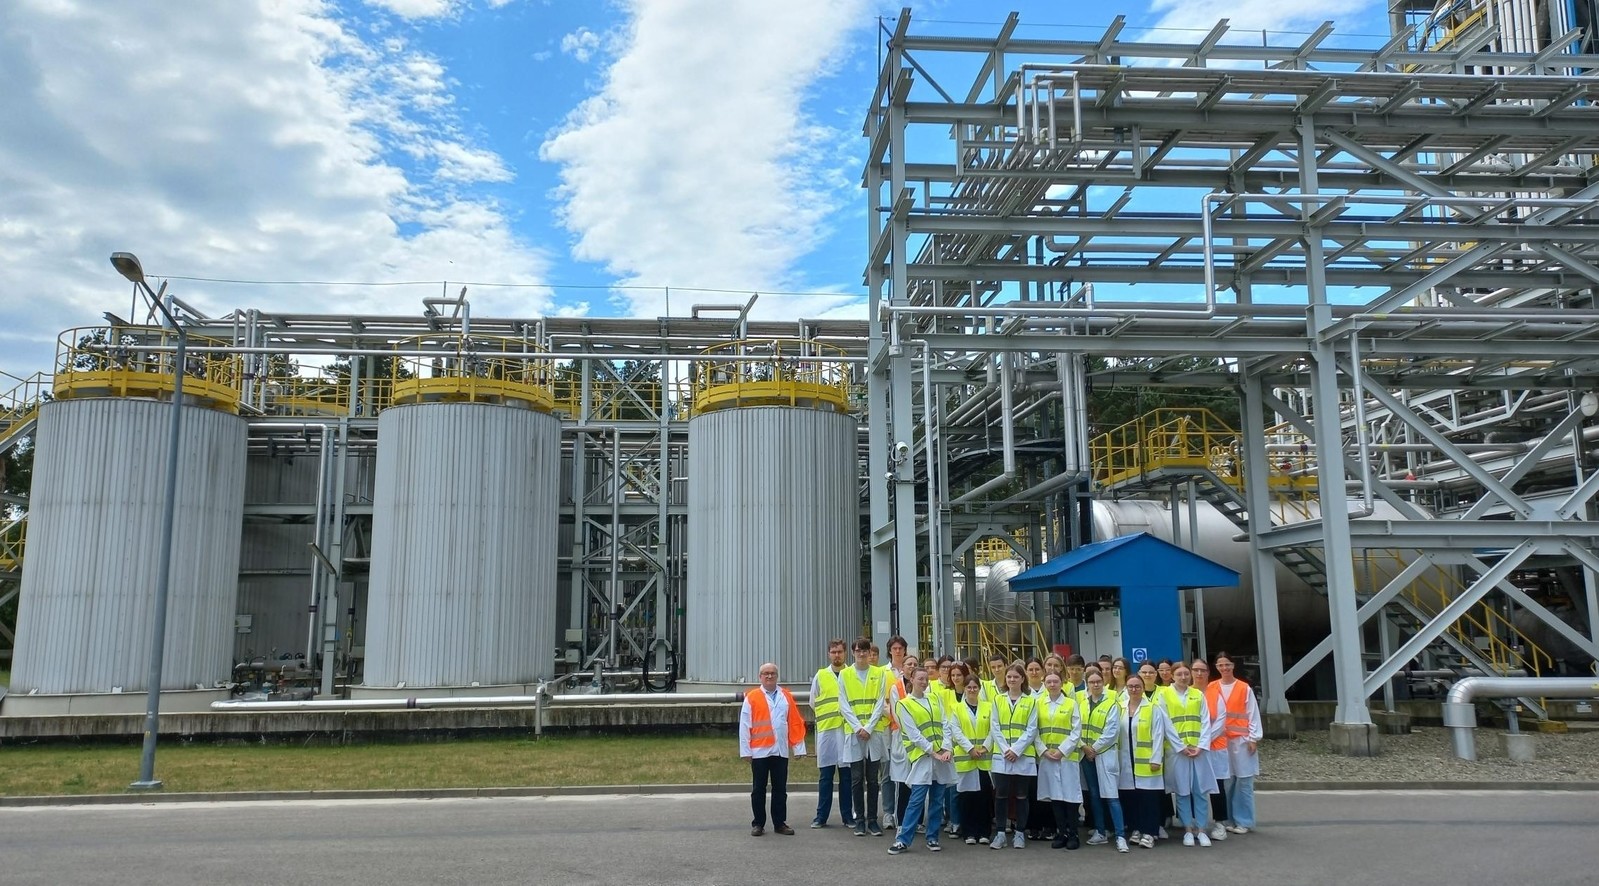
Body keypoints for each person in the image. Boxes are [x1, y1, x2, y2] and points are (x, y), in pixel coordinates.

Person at [887, 666, 955, 855]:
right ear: (912, 680)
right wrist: (933, 752)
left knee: (937, 800)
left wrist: (947, 748)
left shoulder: (934, 698)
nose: (924, 682)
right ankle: (903, 840)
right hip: (923, 759)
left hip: (941, 758)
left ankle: (932, 837)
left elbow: (945, 724)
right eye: (920, 679)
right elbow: (913, 734)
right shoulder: (904, 704)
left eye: (926, 679)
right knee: (916, 800)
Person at [739, 662, 807, 837]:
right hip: (759, 751)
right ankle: (758, 824)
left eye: (772, 673)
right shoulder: (752, 697)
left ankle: (779, 823)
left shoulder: (786, 696)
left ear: (777, 676)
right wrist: (745, 751)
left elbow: (795, 722)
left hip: (780, 750)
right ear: (760, 677)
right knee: (758, 789)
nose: (769, 676)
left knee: (780, 789)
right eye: (766, 673)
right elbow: (745, 725)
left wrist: (798, 747)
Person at [1163, 663, 1219, 847]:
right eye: (1179, 674)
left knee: (1200, 790)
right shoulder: (1164, 695)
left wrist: (1201, 746)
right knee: (1182, 791)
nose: (1183, 677)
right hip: (1177, 751)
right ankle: (1187, 829)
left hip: (1198, 750)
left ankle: (1201, 830)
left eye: (1186, 673)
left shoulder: (1198, 694)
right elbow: (1166, 723)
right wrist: (1180, 747)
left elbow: (1205, 721)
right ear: (1172, 676)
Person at [1209, 651, 1264, 835]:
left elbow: (1252, 713)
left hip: (1241, 741)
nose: (1224, 668)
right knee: (1227, 782)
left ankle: (1244, 821)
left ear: (1233, 666)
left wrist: (1253, 738)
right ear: (1216, 667)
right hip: (1221, 741)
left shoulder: (1243, 688)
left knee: (1244, 781)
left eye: (1227, 664)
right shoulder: (1212, 687)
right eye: (1220, 665)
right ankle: (1228, 819)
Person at [841, 637, 890, 836]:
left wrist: (868, 727)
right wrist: (857, 727)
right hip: (854, 734)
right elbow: (843, 703)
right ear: (853, 653)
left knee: (873, 779)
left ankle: (872, 820)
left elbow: (880, 702)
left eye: (865, 651)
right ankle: (859, 819)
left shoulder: (879, 674)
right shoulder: (845, 674)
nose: (861, 654)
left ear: (870, 653)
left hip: (873, 733)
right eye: (858, 651)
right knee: (856, 779)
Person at [1077, 668, 1129, 852]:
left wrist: (1093, 749)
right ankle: (1100, 831)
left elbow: (1111, 731)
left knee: (1112, 796)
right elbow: (1075, 728)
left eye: (1098, 681)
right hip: (1086, 755)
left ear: (1103, 683)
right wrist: (1084, 747)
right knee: (1094, 795)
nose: (1095, 685)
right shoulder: (1082, 704)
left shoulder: (1111, 704)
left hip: (1104, 754)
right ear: (1087, 684)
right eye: (1092, 682)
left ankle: (1120, 835)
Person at [988, 663, 1038, 849]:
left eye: (1016, 677)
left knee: (1021, 796)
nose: (1012, 680)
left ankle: (1019, 833)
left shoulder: (1031, 701)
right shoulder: (997, 700)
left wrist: (1016, 750)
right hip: (1002, 756)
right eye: (1009, 677)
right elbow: (994, 726)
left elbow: (1032, 729)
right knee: (1000, 795)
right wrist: (1005, 749)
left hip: (1022, 756)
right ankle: (1000, 833)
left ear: (1022, 679)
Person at [1118, 675, 1168, 849]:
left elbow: (1158, 734)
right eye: (1130, 686)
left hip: (1147, 763)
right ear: (1126, 688)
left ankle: (1150, 832)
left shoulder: (1153, 708)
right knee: (1131, 798)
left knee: (1149, 799)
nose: (1134, 689)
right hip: (1126, 762)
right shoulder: (1120, 707)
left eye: (1137, 686)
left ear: (1143, 687)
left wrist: (1156, 759)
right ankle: (1136, 829)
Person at [1034, 672, 1083, 850]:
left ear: (1062, 683)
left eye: (1056, 681)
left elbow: (1076, 731)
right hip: (1047, 758)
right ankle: (1061, 833)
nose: (1052, 684)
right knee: (1055, 797)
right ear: (1044, 684)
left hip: (1067, 758)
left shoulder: (1071, 704)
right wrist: (1043, 750)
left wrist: (1062, 750)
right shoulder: (1038, 703)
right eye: (1049, 682)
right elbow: (1034, 730)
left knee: (1070, 797)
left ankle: (1073, 834)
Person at [809, 638, 854, 828]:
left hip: (846, 731)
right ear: (829, 654)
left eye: (840, 652)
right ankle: (821, 816)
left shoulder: (851, 674)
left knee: (846, 777)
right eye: (834, 652)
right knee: (826, 776)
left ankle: (848, 816)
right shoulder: (821, 675)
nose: (837, 655)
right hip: (827, 732)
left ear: (845, 653)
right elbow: (813, 702)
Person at [947, 672, 994, 845]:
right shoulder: (956, 708)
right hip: (965, 759)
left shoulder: (989, 707)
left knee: (984, 797)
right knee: (966, 798)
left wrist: (985, 747)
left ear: (979, 689)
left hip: (984, 759)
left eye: (975, 687)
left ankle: (984, 832)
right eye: (969, 687)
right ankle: (969, 833)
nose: (972, 690)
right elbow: (955, 731)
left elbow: (993, 729)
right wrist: (970, 749)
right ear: (964, 688)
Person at [1192, 657, 1230, 842]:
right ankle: (1195, 821)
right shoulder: (1187, 693)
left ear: (1208, 673)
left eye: (1203, 670)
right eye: (1196, 670)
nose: (1199, 673)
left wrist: (1203, 742)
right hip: (1192, 749)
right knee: (1194, 785)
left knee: (1217, 787)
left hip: (1214, 748)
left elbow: (1220, 722)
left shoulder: (1216, 693)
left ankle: (1220, 822)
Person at [884, 654, 914, 828]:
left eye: (915, 664)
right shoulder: (896, 687)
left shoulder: (924, 686)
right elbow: (896, 714)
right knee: (902, 781)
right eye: (909, 664)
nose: (912, 667)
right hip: (901, 737)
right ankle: (901, 820)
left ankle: (916, 821)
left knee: (917, 781)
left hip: (919, 740)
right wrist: (912, 732)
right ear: (902, 668)